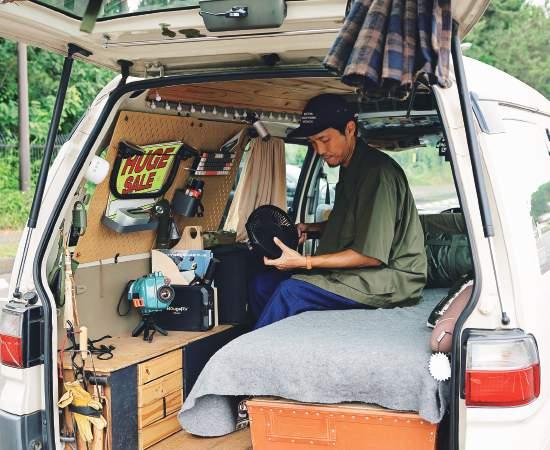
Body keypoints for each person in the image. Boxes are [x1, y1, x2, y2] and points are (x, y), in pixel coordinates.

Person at [249, 94, 427, 328]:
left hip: (390, 278)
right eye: (313, 142)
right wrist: (310, 229)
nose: (319, 150)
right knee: (262, 284)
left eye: (324, 139)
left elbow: (371, 256)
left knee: (291, 291)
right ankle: (283, 340)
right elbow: (353, 224)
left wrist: (304, 262)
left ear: (350, 129)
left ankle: (261, 350)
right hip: (351, 273)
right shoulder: (349, 166)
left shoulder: (377, 174)